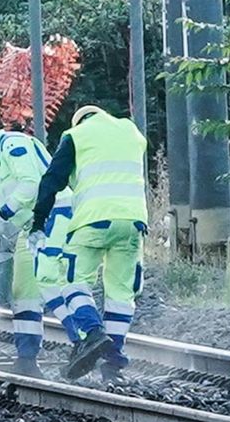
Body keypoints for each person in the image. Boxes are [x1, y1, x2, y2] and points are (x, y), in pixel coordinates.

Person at [0, 101, 74, 377]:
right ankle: (27, 359)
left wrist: (3, 215)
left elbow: (31, 185)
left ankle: (85, 340)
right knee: (25, 294)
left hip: (52, 217)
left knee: (47, 285)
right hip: (33, 226)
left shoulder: (11, 144)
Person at [32, 105, 148, 380]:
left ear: (80, 120)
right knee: (121, 293)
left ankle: (92, 333)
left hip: (92, 220)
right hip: (134, 221)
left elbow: (52, 180)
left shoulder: (76, 135)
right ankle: (113, 364)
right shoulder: (131, 131)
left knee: (72, 280)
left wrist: (38, 223)